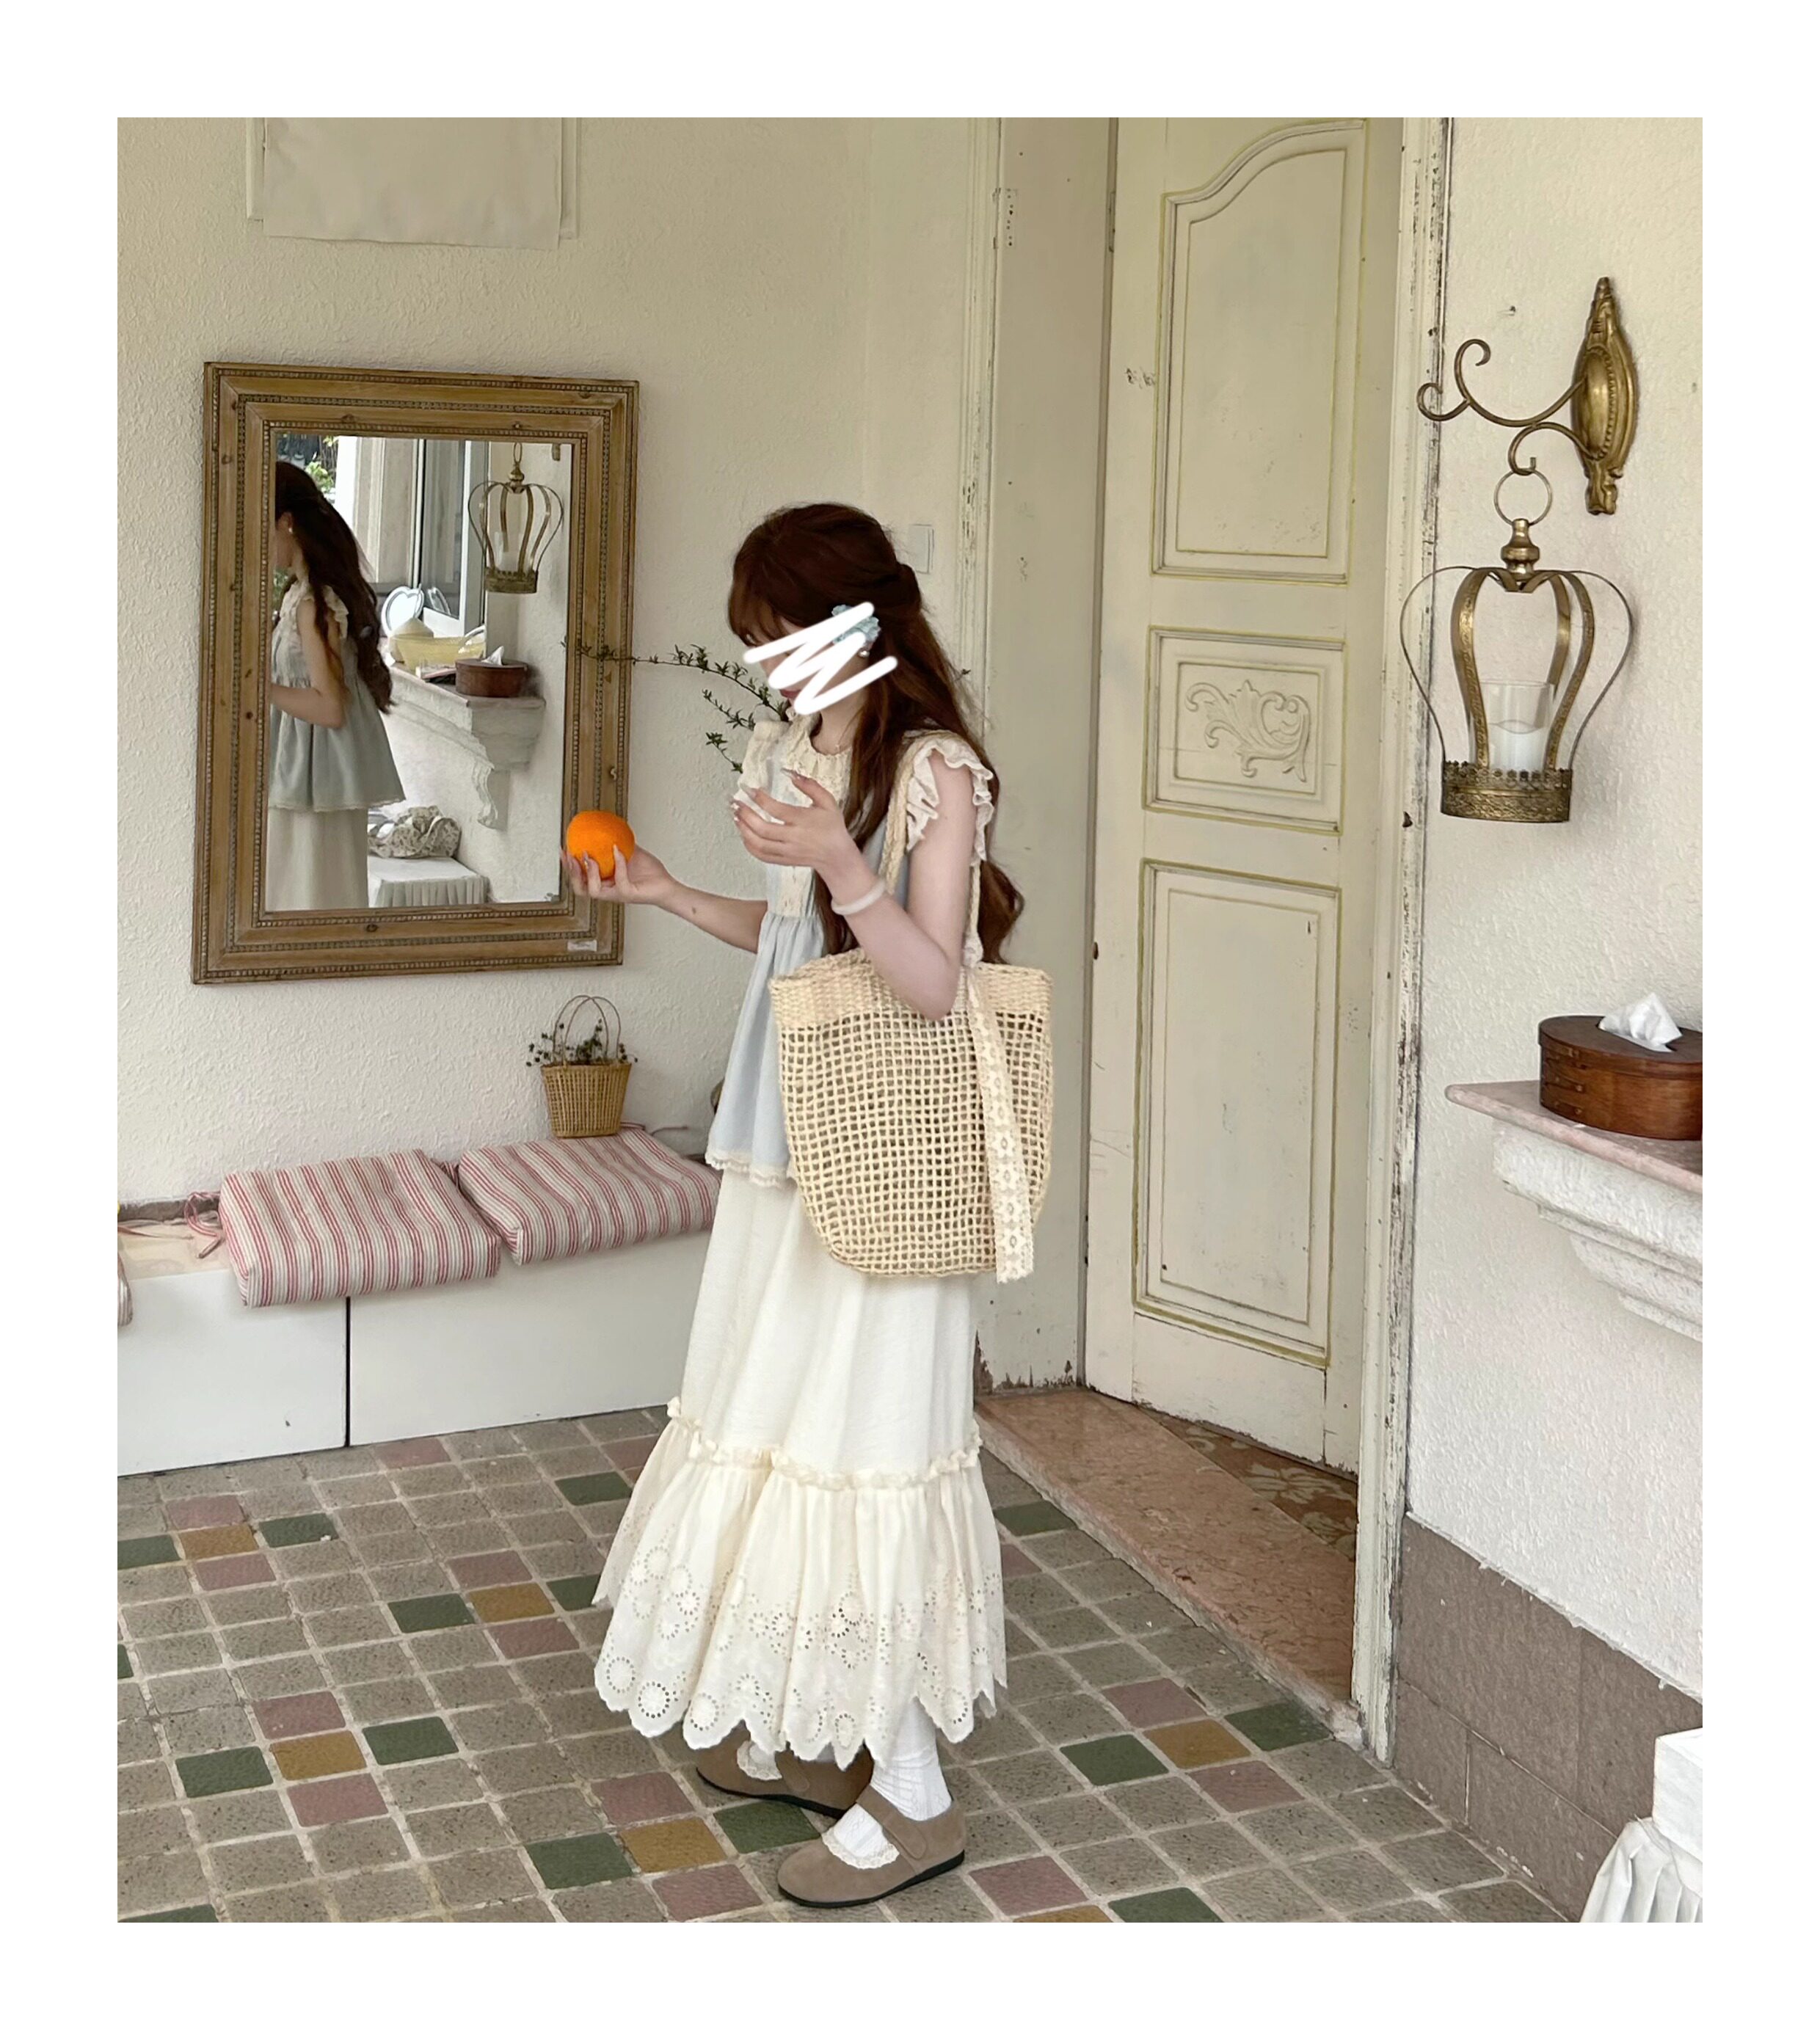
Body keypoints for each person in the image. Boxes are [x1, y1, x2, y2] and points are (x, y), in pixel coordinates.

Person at [564, 502, 1023, 1908]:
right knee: (772, 1422)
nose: (767, 666)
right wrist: (663, 891)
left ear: (857, 627)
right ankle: (832, 1728)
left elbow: (933, 984)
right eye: (757, 642)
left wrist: (842, 859)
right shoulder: (790, 752)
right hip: (780, 1145)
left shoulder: (935, 771)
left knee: (864, 1441)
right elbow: (787, 945)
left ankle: (915, 1794)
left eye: (782, 637)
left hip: (888, 1159)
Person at [265, 461, 404, 910]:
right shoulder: (298, 595)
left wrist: (257, 689)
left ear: (286, 522)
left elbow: (330, 708)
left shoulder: (315, 605)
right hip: (298, 772)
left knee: (308, 896)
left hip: (316, 783)